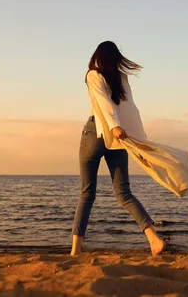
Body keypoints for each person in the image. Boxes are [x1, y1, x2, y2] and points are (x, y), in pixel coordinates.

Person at [71, 41, 166, 256]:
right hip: (120, 135)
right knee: (124, 193)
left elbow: (103, 102)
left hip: (97, 132)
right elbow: (130, 109)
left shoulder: (93, 75)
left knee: (87, 193)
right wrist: (137, 139)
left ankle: (75, 250)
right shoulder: (121, 78)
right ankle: (154, 239)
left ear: (98, 57)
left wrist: (114, 127)